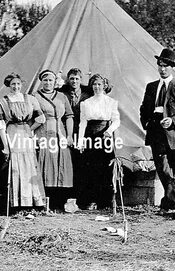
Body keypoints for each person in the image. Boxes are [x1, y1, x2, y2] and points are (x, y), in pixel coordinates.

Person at [139, 48, 175, 219]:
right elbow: (143, 110)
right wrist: (147, 123)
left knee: (172, 173)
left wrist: (173, 120)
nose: (162, 69)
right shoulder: (151, 87)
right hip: (156, 135)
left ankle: (166, 204)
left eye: (166, 66)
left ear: (172, 68)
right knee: (164, 170)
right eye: (160, 65)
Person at [0, 73, 46, 208]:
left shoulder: (30, 99)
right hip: (12, 133)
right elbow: (0, 124)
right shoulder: (3, 101)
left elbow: (41, 118)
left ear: (22, 84)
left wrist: (30, 129)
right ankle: (16, 203)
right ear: (8, 86)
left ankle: (32, 202)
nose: (16, 87)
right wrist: (5, 145)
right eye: (13, 85)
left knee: (29, 164)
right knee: (15, 166)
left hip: (26, 134)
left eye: (18, 84)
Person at [77, 74, 120, 209]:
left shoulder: (111, 102)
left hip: (105, 135)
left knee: (105, 168)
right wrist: (80, 140)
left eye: (99, 85)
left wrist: (110, 130)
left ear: (104, 86)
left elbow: (116, 120)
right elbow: (83, 122)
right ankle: (90, 200)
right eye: (94, 84)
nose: (97, 87)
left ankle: (105, 201)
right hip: (90, 135)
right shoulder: (86, 103)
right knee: (90, 169)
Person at [34, 70, 74, 208]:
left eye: (50, 80)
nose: (48, 83)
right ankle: (44, 200)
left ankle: (59, 200)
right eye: (45, 80)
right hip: (43, 131)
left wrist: (69, 135)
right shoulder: (34, 96)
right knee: (45, 163)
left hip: (60, 132)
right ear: (41, 81)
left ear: (54, 82)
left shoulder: (62, 96)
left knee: (61, 163)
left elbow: (69, 116)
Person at [58, 68, 92, 201]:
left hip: (84, 132)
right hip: (67, 131)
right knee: (68, 163)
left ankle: (82, 197)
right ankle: (66, 196)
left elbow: (107, 88)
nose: (74, 81)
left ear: (81, 80)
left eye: (77, 79)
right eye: (72, 78)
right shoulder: (62, 92)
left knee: (83, 164)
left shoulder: (87, 92)